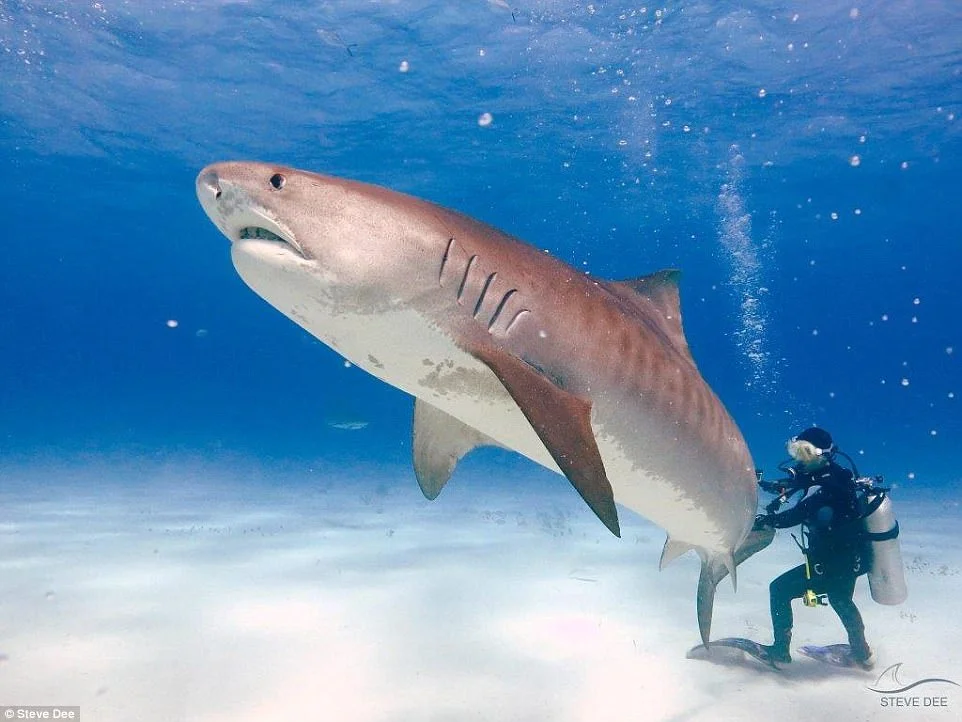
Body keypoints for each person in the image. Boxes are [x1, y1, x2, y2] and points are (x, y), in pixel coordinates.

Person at [754, 426, 875, 669]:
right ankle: (862, 653)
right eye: (797, 452)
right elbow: (795, 483)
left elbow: (796, 514)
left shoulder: (829, 485)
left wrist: (765, 520)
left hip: (833, 563)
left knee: (779, 589)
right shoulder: (832, 474)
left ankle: (779, 652)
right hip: (850, 559)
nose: (801, 459)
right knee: (840, 599)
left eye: (806, 453)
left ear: (823, 454)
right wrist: (767, 484)